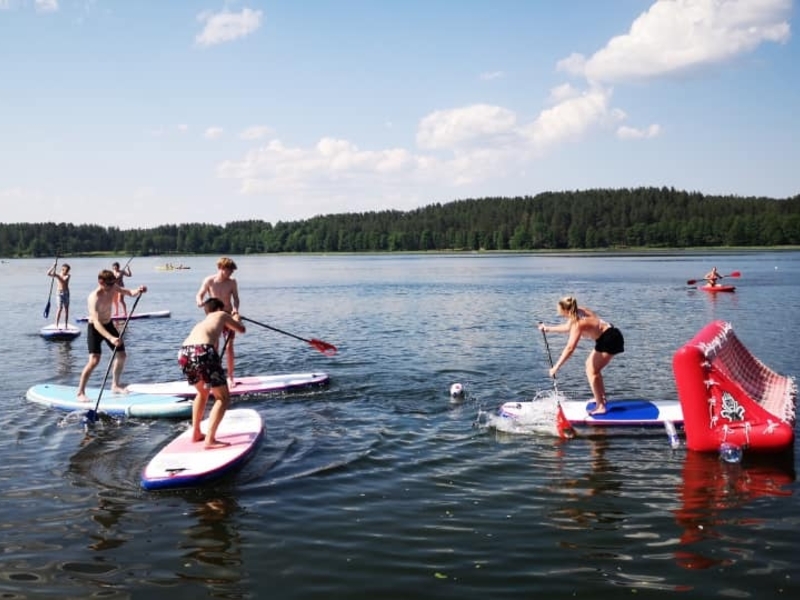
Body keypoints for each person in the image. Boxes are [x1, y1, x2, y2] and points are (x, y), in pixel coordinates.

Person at [539, 296, 624, 416]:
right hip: (609, 335)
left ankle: (601, 406)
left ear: (566, 310)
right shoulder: (579, 311)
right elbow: (568, 328)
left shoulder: (578, 323)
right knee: (591, 366)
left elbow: (570, 349)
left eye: (561, 312)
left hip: (610, 339)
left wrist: (556, 367)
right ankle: (601, 398)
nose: (560, 314)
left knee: (591, 371)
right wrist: (548, 329)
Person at [179, 297, 246, 449]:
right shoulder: (221, 314)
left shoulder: (201, 324)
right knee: (223, 398)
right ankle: (210, 439)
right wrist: (236, 318)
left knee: (202, 393)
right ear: (219, 309)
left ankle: (196, 432)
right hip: (202, 351)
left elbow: (219, 341)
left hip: (183, 353)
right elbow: (241, 329)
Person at [76, 269, 147, 402]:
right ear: (100, 282)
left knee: (122, 355)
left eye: (112, 283)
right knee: (94, 361)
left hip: (108, 324)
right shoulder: (94, 297)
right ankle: (80, 392)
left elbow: (129, 293)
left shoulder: (113, 286)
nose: (111, 287)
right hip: (95, 328)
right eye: (108, 284)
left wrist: (139, 290)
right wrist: (111, 338)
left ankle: (115, 385)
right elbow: (96, 322)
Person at [196, 257, 240, 387]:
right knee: (213, 347)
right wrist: (199, 302)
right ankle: (215, 375)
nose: (231, 273)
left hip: (228, 316)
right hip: (214, 318)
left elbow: (236, 299)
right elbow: (199, 294)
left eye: (232, 271)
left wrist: (236, 310)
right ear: (221, 268)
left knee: (229, 346)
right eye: (229, 270)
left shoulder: (232, 282)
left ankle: (230, 377)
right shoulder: (209, 280)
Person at [46, 262, 71, 328]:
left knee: (66, 309)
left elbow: (63, 281)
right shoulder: (58, 274)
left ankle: (66, 325)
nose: (67, 272)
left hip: (66, 293)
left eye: (68, 270)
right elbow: (48, 273)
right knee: (60, 308)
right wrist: (53, 266)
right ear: (62, 269)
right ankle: (56, 325)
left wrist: (57, 276)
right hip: (59, 293)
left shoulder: (68, 276)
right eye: (66, 270)